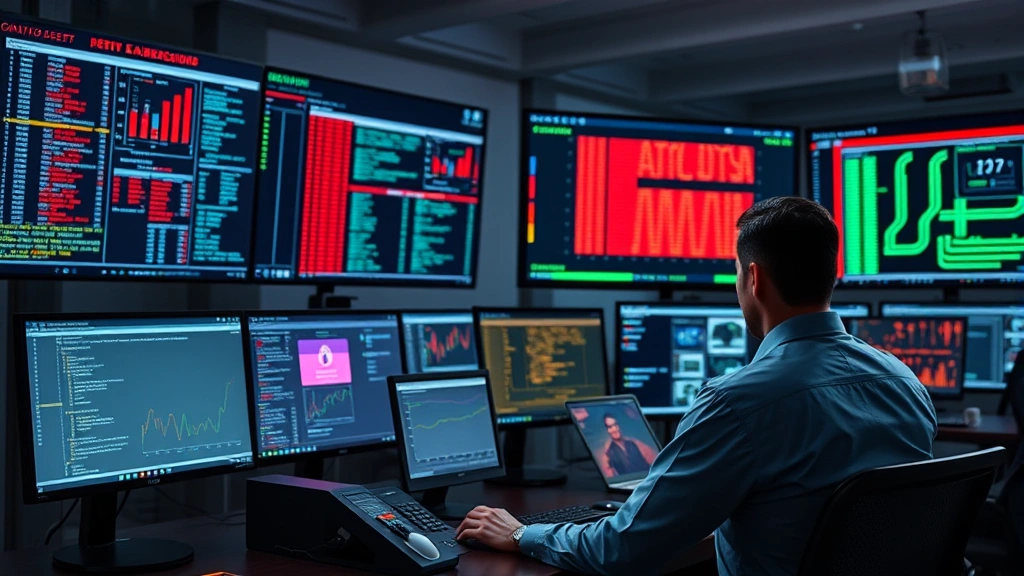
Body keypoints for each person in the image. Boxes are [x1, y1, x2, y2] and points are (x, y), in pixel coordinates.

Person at [455, 197, 937, 576]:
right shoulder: (903, 381)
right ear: (834, 274)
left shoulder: (737, 402)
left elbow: (624, 550)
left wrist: (522, 534)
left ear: (753, 278)